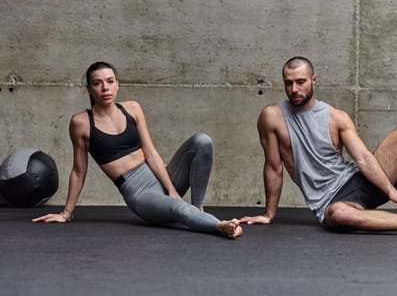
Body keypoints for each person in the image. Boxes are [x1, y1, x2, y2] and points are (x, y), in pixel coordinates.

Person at [240, 56, 397, 239]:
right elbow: (273, 167)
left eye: (300, 82)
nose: (294, 89)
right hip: (334, 201)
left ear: (313, 80)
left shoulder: (336, 117)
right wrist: (269, 214)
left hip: (362, 180)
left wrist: (390, 191)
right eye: (288, 83)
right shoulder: (272, 117)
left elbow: (363, 158)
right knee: (337, 216)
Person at [33, 61, 242, 239]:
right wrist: (66, 213)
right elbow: (79, 171)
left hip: (161, 176)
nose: (105, 88)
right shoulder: (81, 123)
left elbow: (150, 153)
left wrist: (170, 189)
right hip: (139, 193)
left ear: (117, 85)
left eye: (110, 81)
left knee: (202, 142)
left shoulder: (132, 108)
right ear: (89, 89)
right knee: (178, 208)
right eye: (97, 83)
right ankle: (221, 226)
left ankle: (198, 210)